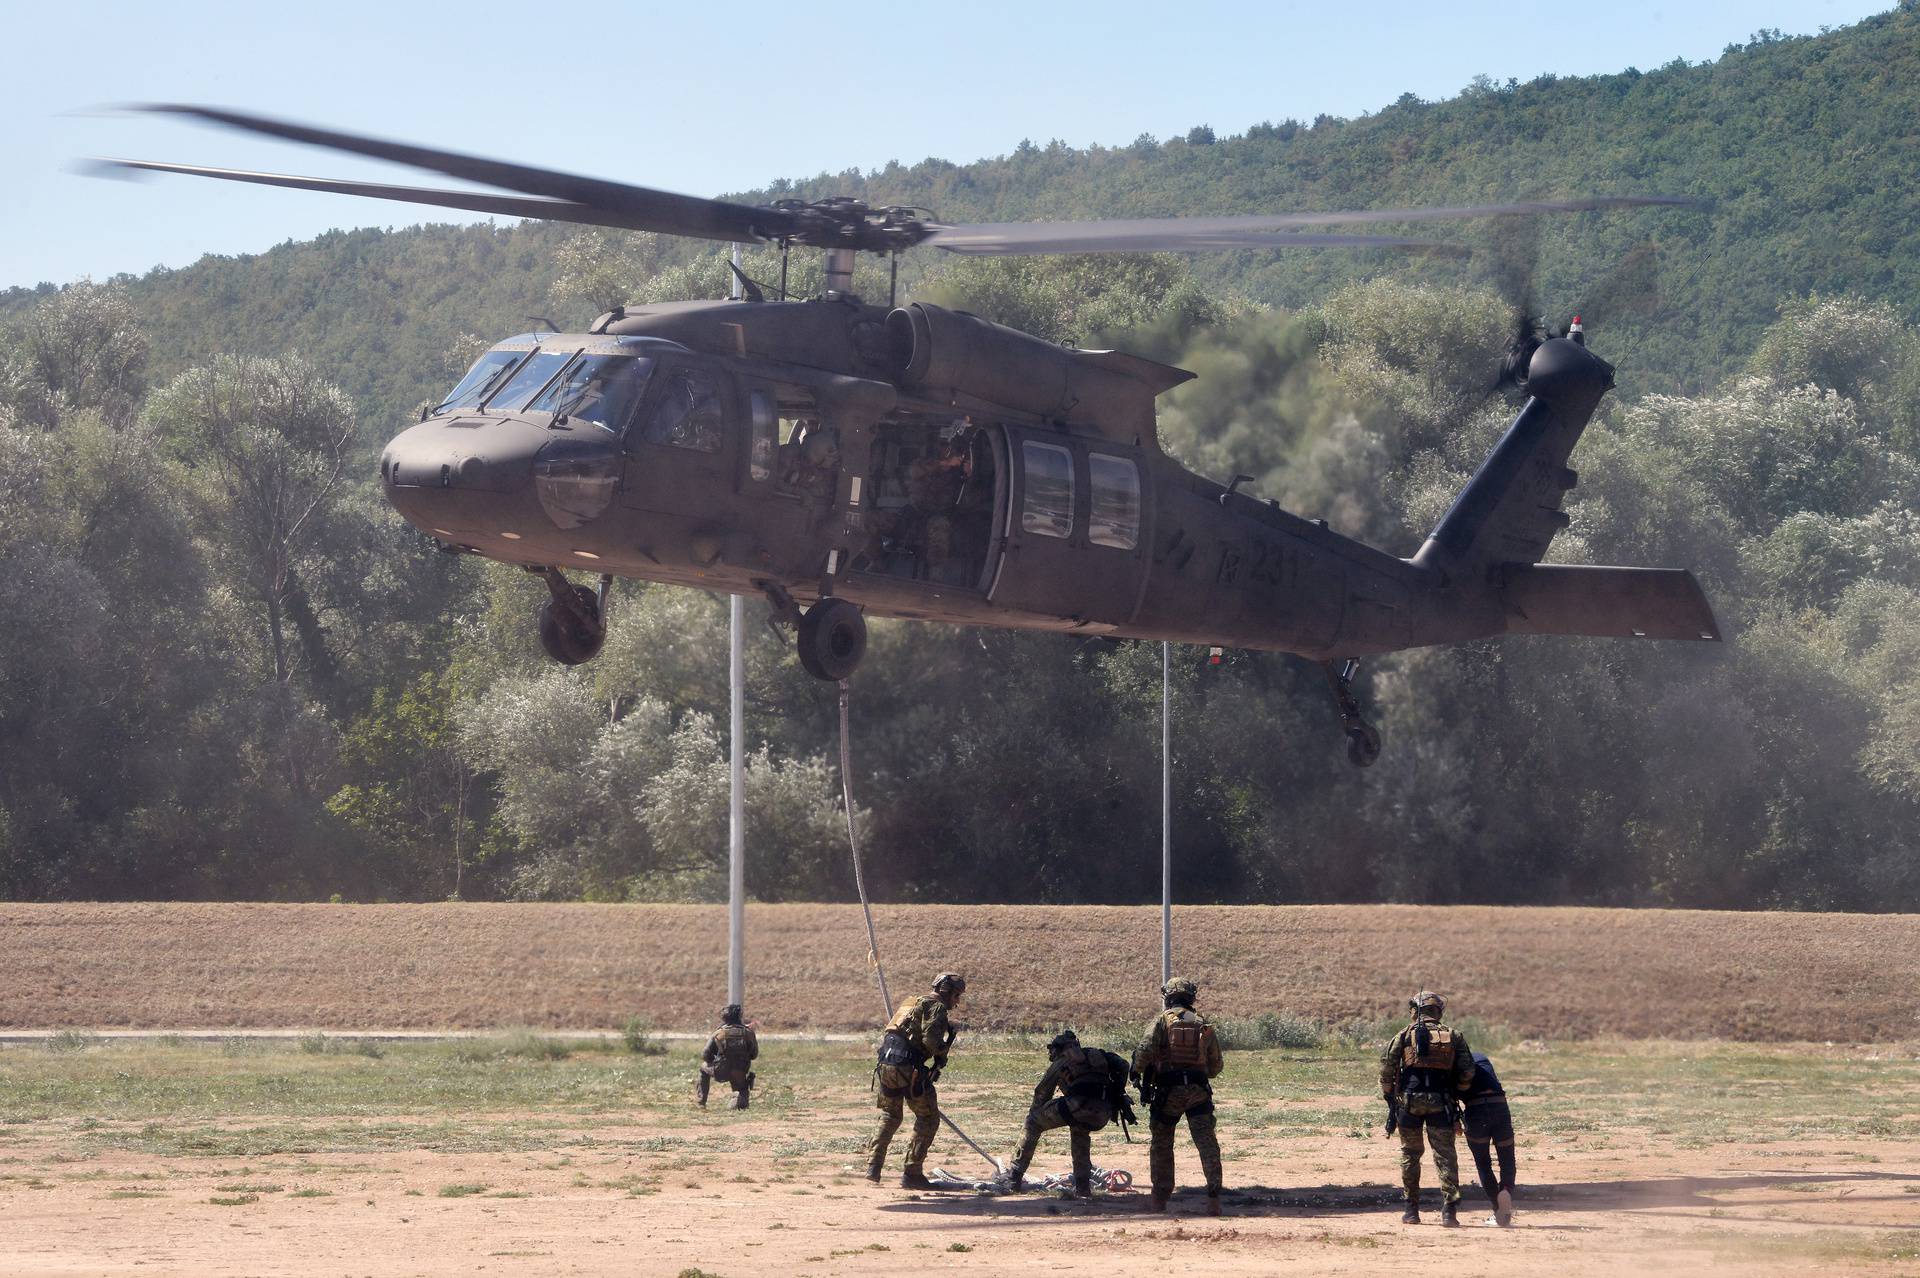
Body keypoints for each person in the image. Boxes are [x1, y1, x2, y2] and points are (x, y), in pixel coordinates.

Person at [1378, 990, 1476, 1226]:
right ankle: (1449, 1212)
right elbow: (1468, 1071)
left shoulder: (1403, 1035)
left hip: (1409, 1104)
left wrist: (1390, 1097)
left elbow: (1386, 1070)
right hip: (1441, 1103)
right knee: (1445, 1156)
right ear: (1438, 1011)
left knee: (1410, 1155)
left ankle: (1411, 1210)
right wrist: (1457, 1091)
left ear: (1415, 1011)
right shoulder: (1454, 1036)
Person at [1132, 977, 1224, 1214]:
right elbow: (1215, 1067)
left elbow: (1144, 1050)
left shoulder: (1161, 1021)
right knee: (1207, 1143)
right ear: (1191, 997)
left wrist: (1136, 1072)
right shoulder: (1202, 1023)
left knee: (1162, 1143)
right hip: (1198, 1092)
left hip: (1168, 1093)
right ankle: (1214, 1199)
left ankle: (1159, 1199)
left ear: (1168, 997)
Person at [865, 972, 965, 1189]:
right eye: (957, 996)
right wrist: (942, 1050)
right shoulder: (936, 1008)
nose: (956, 1002)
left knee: (890, 1114)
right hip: (908, 1068)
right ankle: (912, 1172)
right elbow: (930, 1041)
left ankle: (874, 1167)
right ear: (947, 992)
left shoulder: (911, 1003)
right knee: (928, 1118)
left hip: (885, 1064)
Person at [1004, 1029, 1133, 1198]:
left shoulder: (1062, 1061)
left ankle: (1014, 1177)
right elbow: (1124, 1064)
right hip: (1103, 1111)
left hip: (1077, 1106)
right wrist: (1117, 1091)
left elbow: (1042, 1093)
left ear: (1059, 1049)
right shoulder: (1098, 1055)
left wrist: (1035, 1115)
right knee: (1080, 1130)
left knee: (1033, 1123)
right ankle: (1083, 1187)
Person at [1462, 1050, 1517, 1226]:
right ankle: (1506, 1190)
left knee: (1483, 1163)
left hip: (1475, 1109)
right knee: (1507, 1158)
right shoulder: (1481, 1057)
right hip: (1499, 1106)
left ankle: (1498, 1210)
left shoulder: (1452, 1064)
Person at [695, 1004, 758, 1110]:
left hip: (721, 1070)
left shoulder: (719, 1033)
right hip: (740, 1072)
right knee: (741, 1092)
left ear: (724, 1018)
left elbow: (705, 1054)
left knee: (703, 1068)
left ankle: (701, 1102)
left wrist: (714, 1060)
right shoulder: (748, 1033)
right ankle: (738, 1100)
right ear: (739, 1017)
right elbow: (754, 1055)